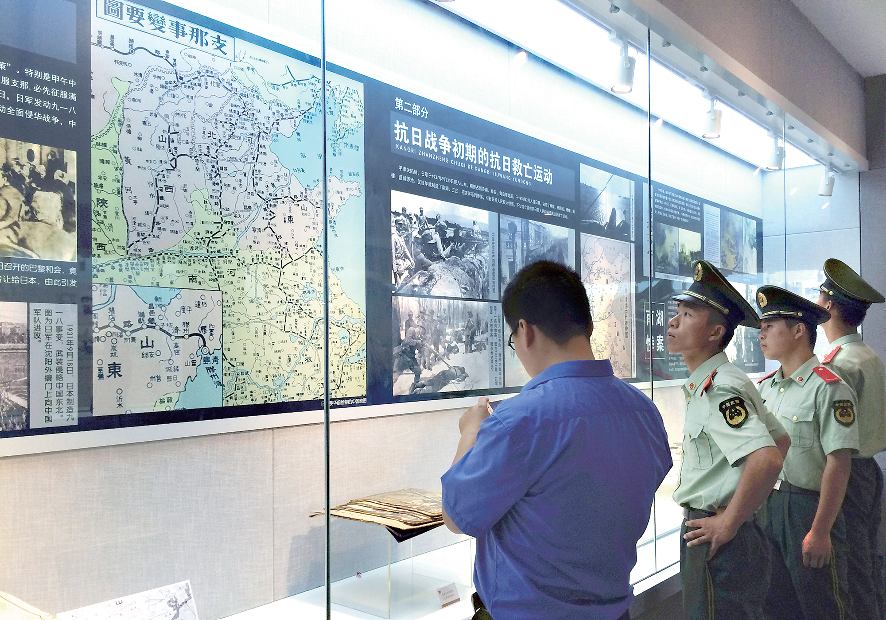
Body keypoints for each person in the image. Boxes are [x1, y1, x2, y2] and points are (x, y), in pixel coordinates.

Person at [441, 260, 671, 620]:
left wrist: (471, 431)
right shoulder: (644, 411)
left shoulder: (517, 422)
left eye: (513, 340)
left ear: (525, 331)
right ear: (588, 326)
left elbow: (456, 517)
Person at [667, 260, 787, 620]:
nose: (673, 322)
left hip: (716, 538)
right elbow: (781, 440)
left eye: (688, 315)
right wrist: (743, 510)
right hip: (730, 534)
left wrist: (730, 520)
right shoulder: (725, 378)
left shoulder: (719, 387)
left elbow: (768, 457)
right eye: (678, 312)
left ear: (715, 332)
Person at [755, 285, 859, 620]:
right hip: (768, 505)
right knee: (774, 604)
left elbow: (838, 464)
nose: (761, 334)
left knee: (823, 603)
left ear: (799, 330)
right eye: (761, 326)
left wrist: (821, 530)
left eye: (770, 326)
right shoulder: (765, 388)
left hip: (808, 508)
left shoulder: (829, 388)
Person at [815, 258, 886, 619]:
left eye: (819, 297)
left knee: (850, 567)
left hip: (847, 475)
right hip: (868, 470)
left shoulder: (838, 364)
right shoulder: (866, 355)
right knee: (867, 562)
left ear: (827, 305)